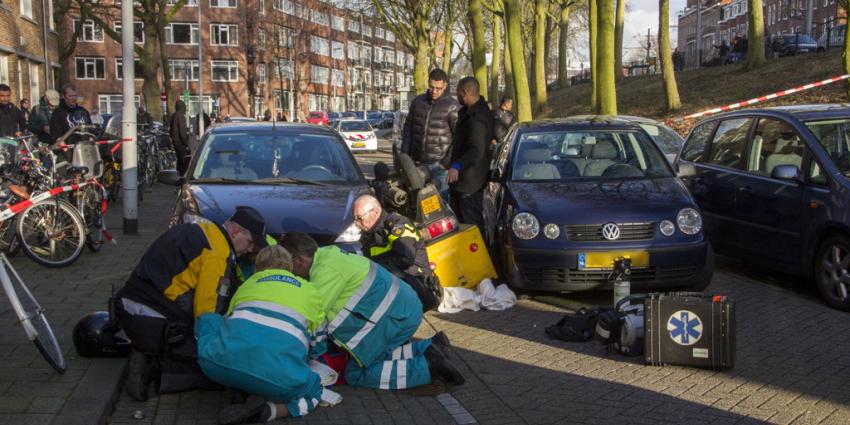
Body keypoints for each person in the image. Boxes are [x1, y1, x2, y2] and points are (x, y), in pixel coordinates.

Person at [115, 206, 269, 401]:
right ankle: (155, 369)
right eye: (250, 243)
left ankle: (147, 351)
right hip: (157, 322)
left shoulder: (198, 229)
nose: (249, 250)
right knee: (213, 364)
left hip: (127, 306)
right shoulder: (217, 253)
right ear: (236, 231)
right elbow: (207, 312)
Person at [280, 232, 464, 390]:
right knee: (372, 356)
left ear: (300, 261)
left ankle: (428, 367)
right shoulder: (328, 256)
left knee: (356, 374)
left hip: (394, 318)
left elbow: (312, 316)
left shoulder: (325, 272)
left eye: (289, 268)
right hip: (400, 312)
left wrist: (303, 354)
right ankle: (428, 347)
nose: (291, 274)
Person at [196, 245, 330, 424]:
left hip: (217, 366)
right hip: (280, 379)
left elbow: (228, 323)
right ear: (289, 267)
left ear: (257, 268)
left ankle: (239, 381)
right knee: (314, 392)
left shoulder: (246, 285)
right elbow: (318, 342)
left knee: (208, 319)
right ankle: (268, 412)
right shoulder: (310, 290)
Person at [352, 194, 442, 312]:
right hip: (398, 288)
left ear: (374, 212)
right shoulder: (370, 233)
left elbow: (406, 258)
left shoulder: (397, 225)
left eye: (359, 218)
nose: (356, 223)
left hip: (419, 287)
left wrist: (376, 266)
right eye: (354, 219)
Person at [400, 68, 460, 201]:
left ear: (445, 85)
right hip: (418, 163)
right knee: (417, 203)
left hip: (440, 166)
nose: (434, 91)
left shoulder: (453, 106)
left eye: (438, 88)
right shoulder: (418, 102)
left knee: (441, 205)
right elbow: (408, 131)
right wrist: (405, 156)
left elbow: (459, 138)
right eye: (432, 87)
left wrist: (446, 163)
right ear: (428, 83)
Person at [447, 77, 493, 235]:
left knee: (471, 225)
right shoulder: (471, 112)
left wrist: (457, 166)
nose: (456, 96)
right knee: (463, 225)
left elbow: (476, 150)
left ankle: (481, 258)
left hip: (470, 181)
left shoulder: (477, 117)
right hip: (465, 181)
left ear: (464, 93)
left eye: (457, 92)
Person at [49, 83, 92, 149]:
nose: (74, 98)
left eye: (75, 96)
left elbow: (90, 128)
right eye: (71, 96)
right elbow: (55, 134)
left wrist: (91, 138)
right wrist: (63, 145)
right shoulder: (58, 112)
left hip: (85, 147)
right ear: (64, 96)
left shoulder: (83, 111)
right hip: (68, 148)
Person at [170, 100, 191, 175]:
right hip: (180, 143)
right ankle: (183, 176)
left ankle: (178, 174)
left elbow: (171, 130)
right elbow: (182, 132)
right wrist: (186, 144)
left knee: (179, 160)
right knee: (185, 160)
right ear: (182, 108)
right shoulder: (180, 117)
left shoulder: (173, 116)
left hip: (175, 142)